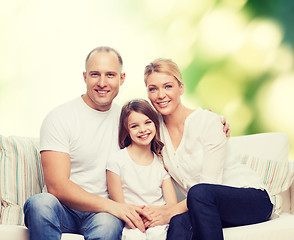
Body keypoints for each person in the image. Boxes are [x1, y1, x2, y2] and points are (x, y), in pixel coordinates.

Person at [23, 46, 152, 240]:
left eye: (110, 75)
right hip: (63, 211)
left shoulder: (127, 121)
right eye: (95, 74)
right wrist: (113, 206)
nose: (102, 82)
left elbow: (160, 134)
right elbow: (57, 186)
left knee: (107, 226)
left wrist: (206, 120)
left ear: (121, 78)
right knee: (39, 203)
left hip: (102, 216)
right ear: (84, 77)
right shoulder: (60, 117)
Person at [141, 58, 274, 240]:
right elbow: (129, 122)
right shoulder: (154, 132)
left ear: (181, 88)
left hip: (251, 200)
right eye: (153, 88)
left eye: (168, 86)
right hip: (204, 207)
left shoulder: (208, 123)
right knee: (178, 223)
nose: (160, 95)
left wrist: (168, 212)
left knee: (199, 191)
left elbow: (210, 184)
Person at [106, 99, 178, 240]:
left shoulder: (161, 162)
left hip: (158, 222)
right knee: (134, 236)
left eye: (147, 122)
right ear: (126, 130)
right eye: (134, 126)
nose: (143, 130)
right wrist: (139, 217)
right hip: (131, 222)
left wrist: (154, 215)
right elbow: (119, 205)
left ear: (155, 124)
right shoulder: (116, 160)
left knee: (157, 234)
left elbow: (172, 206)